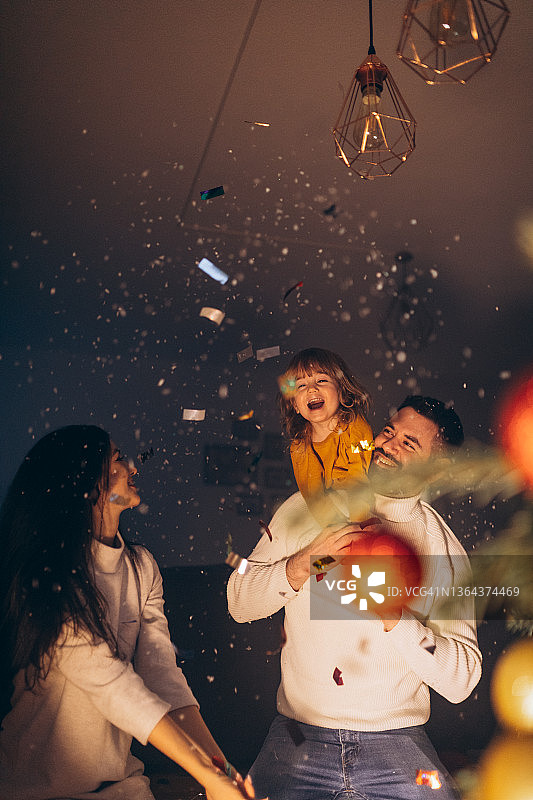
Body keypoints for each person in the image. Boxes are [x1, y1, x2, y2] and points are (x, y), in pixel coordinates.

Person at [227, 396, 482, 800]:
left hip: (398, 743)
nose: (387, 446)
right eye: (388, 431)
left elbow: (461, 681)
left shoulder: (444, 551)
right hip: (297, 737)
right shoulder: (306, 508)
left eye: (408, 444)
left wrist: (395, 619)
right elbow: (238, 601)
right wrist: (300, 565)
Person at [0, 425, 256, 800]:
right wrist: (207, 776)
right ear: (84, 479)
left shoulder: (141, 567)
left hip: (124, 787)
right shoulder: (47, 575)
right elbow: (114, 687)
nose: (133, 467)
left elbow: (162, 677)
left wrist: (224, 772)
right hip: (36, 790)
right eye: (118, 459)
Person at [278, 347, 373, 526]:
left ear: (342, 392)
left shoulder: (357, 427)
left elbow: (358, 476)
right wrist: (333, 530)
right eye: (301, 385)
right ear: (295, 405)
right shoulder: (299, 447)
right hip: (327, 512)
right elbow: (312, 493)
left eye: (321, 380)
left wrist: (359, 525)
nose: (311, 389)